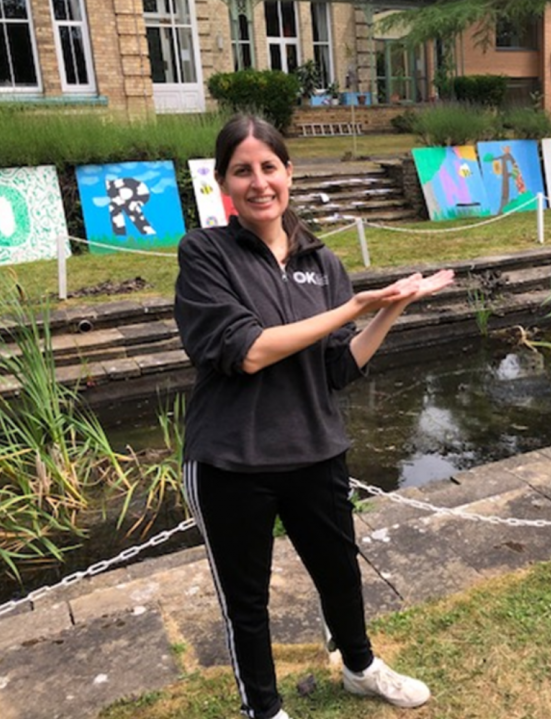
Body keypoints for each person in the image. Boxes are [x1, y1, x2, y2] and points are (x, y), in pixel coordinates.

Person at [174, 113, 454, 719]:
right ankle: (265, 710)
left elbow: (338, 366)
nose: (259, 183)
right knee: (246, 602)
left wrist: (389, 312)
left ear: (289, 173)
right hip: (231, 458)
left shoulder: (320, 261)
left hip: (315, 447)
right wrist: (353, 304)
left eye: (269, 167)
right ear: (224, 182)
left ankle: (360, 668)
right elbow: (246, 351)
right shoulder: (205, 254)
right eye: (242, 171)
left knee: (340, 573)